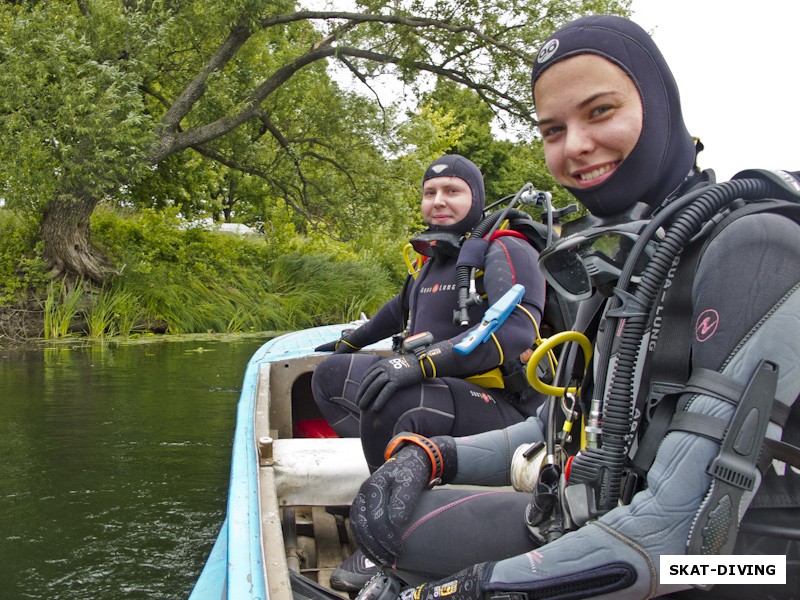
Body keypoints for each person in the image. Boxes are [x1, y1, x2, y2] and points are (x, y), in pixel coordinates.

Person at [347, 14, 800, 600]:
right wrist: (432, 456)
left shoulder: (755, 250)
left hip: (738, 569)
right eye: (553, 129)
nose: (576, 146)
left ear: (660, 107)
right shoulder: (630, 263)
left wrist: (479, 588)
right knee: (393, 530)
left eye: (600, 112)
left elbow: (680, 538)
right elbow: (556, 430)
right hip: (601, 521)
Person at [311, 154, 548, 591]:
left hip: (506, 416)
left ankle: (387, 539)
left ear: (475, 198)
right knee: (329, 378)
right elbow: (395, 311)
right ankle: (388, 490)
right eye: (430, 193)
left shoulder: (505, 248)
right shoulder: (432, 259)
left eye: (453, 191)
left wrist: (418, 362)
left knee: (396, 396)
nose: (439, 201)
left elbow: (516, 331)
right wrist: (350, 344)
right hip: (442, 396)